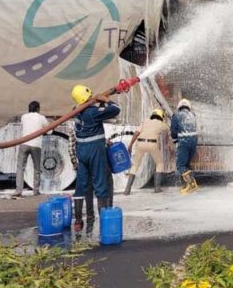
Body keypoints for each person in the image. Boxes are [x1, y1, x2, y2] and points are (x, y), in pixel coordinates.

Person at [69, 84, 119, 233]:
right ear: (87, 98)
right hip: (94, 150)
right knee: (100, 183)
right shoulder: (91, 112)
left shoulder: (76, 112)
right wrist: (106, 100)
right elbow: (116, 110)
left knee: (81, 185)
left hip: (81, 151)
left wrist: (100, 103)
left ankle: (78, 220)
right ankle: (105, 221)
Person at [124, 108, 169, 194]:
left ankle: (127, 189)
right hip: (152, 144)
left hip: (140, 144)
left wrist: (130, 145)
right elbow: (168, 130)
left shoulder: (145, 121)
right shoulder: (161, 124)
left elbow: (136, 133)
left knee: (135, 165)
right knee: (160, 163)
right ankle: (157, 188)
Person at [12, 101, 47, 198]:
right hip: (36, 145)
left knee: (20, 167)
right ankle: (36, 190)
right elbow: (49, 131)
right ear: (38, 108)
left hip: (24, 143)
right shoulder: (42, 118)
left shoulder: (24, 117)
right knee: (36, 168)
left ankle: (18, 190)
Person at [170, 98, 198, 195]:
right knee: (187, 164)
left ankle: (191, 185)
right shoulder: (193, 115)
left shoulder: (176, 115)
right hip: (194, 141)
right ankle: (190, 183)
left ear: (179, 106)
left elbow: (173, 132)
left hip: (184, 141)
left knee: (181, 165)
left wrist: (175, 141)